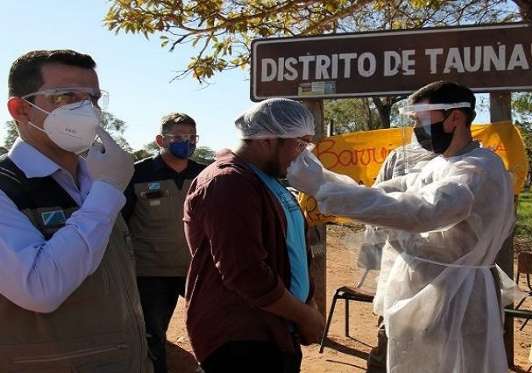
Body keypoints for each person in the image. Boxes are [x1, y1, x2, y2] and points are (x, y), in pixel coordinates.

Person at [287, 81, 515, 373]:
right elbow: (384, 194)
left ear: (455, 117)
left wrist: (323, 189)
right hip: (425, 292)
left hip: (455, 297)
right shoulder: (440, 165)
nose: (418, 129)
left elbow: (425, 212)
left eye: (421, 120)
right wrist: (324, 179)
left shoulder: (478, 168)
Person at [0, 49, 151, 371]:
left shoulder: (95, 179)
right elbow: (39, 289)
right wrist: (108, 191)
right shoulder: (6, 188)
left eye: (93, 98)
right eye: (65, 96)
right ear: (20, 109)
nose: (87, 109)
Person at [183, 98, 325, 373]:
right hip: (243, 336)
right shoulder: (228, 182)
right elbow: (245, 272)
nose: (303, 155)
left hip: (275, 327)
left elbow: (291, 249)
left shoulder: (268, 179)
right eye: (299, 144)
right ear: (267, 140)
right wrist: (305, 316)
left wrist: (307, 302)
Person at [122, 113, 206, 372]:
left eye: (192, 138)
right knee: (152, 336)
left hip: (196, 270)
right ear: (160, 139)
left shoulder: (205, 174)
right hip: (150, 272)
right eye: (179, 137)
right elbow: (121, 222)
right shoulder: (136, 174)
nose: (187, 143)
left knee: (211, 328)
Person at [359, 139, 437, 373]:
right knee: (392, 340)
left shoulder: (469, 163)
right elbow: (375, 203)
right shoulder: (400, 156)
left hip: (447, 280)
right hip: (401, 272)